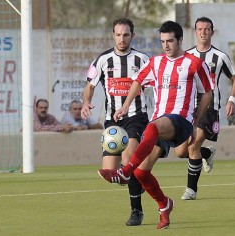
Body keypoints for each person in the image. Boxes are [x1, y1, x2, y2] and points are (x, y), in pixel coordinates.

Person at [98, 21, 214, 229]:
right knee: (141, 172)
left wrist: (196, 122)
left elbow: (207, 92)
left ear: (180, 40)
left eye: (170, 41)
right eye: (162, 42)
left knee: (150, 131)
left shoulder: (194, 63)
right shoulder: (155, 62)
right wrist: (125, 106)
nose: (166, 45)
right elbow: (137, 81)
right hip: (159, 124)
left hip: (181, 121)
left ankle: (124, 172)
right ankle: (164, 204)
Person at [81, 18, 150, 226]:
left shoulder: (142, 60)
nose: (122, 39)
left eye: (126, 34)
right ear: (113, 35)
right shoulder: (102, 60)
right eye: (118, 35)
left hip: (136, 117)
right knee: (112, 172)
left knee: (129, 159)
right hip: (113, 120)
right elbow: (90, 86)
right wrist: (86, 102)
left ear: (132, 36)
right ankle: (137, 173)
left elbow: (156, 86)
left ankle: (136, 211)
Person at [176, 16, 235, 200]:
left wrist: (232, 100)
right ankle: (207, 152)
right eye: (200, 29)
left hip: (210, 108)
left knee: (193, 145)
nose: (203, 32)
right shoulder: (186, 56)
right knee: (180, 151)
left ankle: (191, 190)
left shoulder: (220, 57)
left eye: (207, 29)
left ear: (212, 32)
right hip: (189, 108)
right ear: (195, 32)